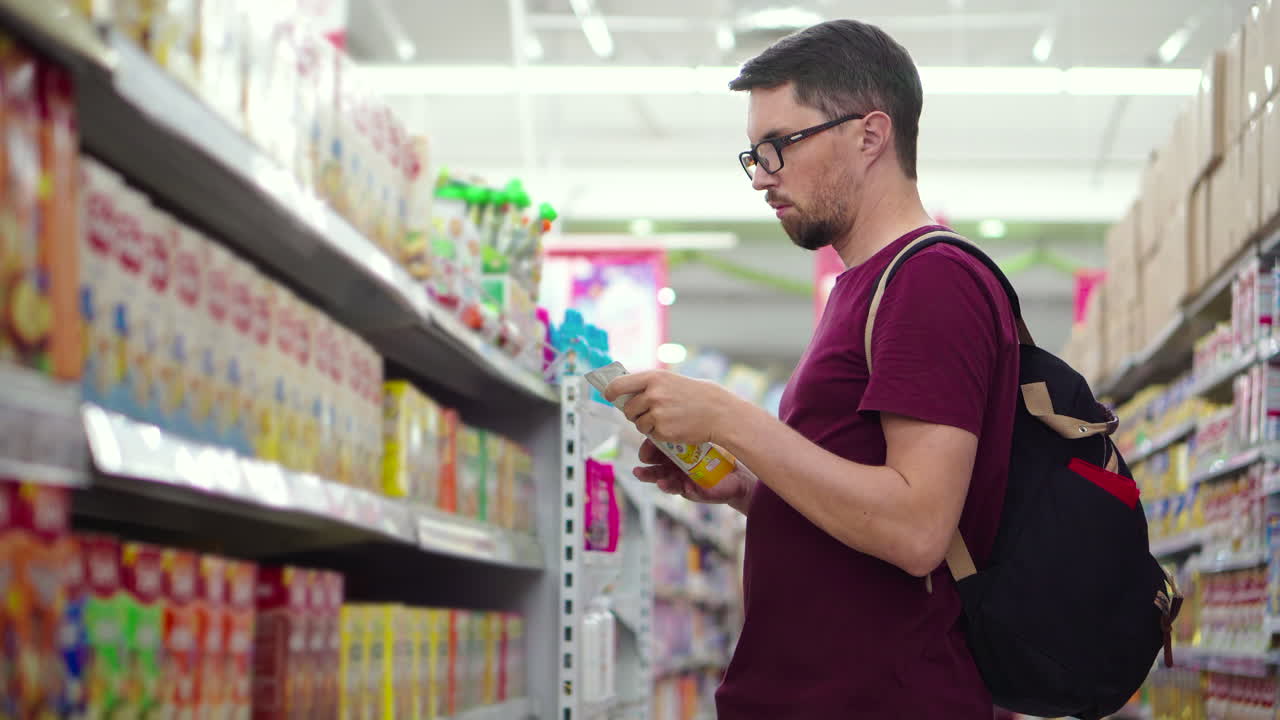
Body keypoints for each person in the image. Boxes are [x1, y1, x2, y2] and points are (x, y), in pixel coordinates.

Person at [602, 19, 1021, 719]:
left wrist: (730, 418)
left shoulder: (929, 281)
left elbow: (918, 527)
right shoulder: (865, 285)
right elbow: (864, 503)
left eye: (779, 146)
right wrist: (750, 488)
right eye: (754, 153)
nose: (763, 175)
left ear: (869, 135)